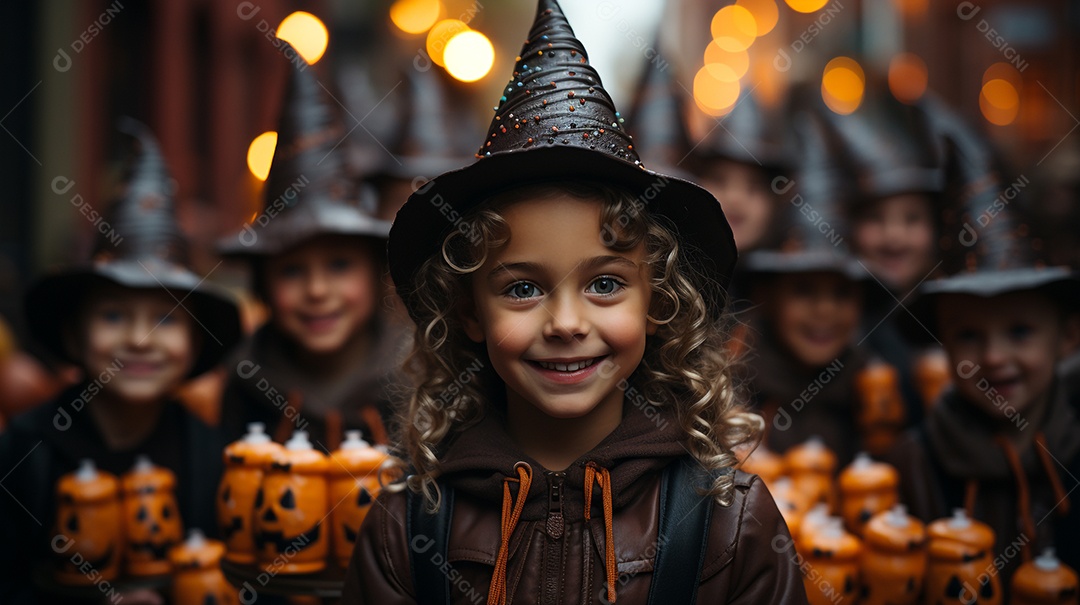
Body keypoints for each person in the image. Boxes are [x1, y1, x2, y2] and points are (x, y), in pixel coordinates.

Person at [341, 2, 809, 603]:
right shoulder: (407, 528)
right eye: (523, 289)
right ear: (467, 310)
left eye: (605, 284)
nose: (565, 323)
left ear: (657, 301)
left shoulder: (731, 525)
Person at [0, 120, 242, 604]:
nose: (139, 339)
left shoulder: (213, 454)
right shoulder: (27, 451)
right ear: (74, 333)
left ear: (194, 342)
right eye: (113, 315)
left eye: (166, 320)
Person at [218, 44, 407, 450]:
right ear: (262, 284)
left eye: (339, 265)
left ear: (377, 273)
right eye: (291, 271)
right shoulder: (244, 387)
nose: (318, 291)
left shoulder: (419, 382)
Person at [888, 196, 1080, 595]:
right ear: (944, 348)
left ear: (1067, 338)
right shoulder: (913, 464)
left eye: (1020, 331)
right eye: (968, 335)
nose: (993, 358)